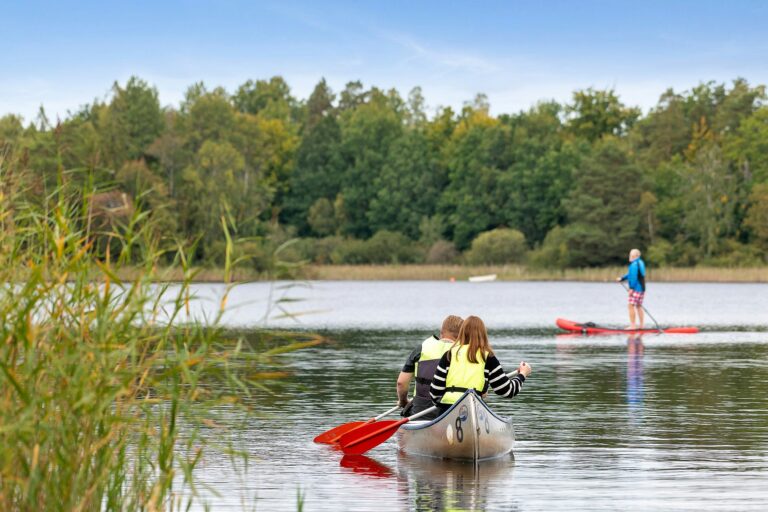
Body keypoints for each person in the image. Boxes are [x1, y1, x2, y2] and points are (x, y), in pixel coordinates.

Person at [429, 316, 531, 413]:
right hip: (475, 408)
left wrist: (442, 405)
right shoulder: (488, 357)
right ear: (483, 334)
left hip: (448, 409)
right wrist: (522, 374)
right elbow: (507, 391)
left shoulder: (449, 355)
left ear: (462, 333)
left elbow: (434, 393)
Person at [397, 315, 463, 419]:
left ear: (441, 332)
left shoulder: (422, 348)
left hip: (421, 414)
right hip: (454, 414)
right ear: (462, 335)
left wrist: (403, 402)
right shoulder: (466, 353)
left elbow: (401, 383)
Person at [616, 248, 646, 330]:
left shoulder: (634, 264)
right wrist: (622, 278)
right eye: (630, 254)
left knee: (630, 305)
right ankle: (641, 325)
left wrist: (631, 288)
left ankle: (632, 326)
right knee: (639, 306)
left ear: (635, 256)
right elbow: (631, 274)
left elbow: (633, 277)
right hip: (642, 288)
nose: (630, 256)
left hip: (636, 288)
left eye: (631, 255)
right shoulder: (640, 263)